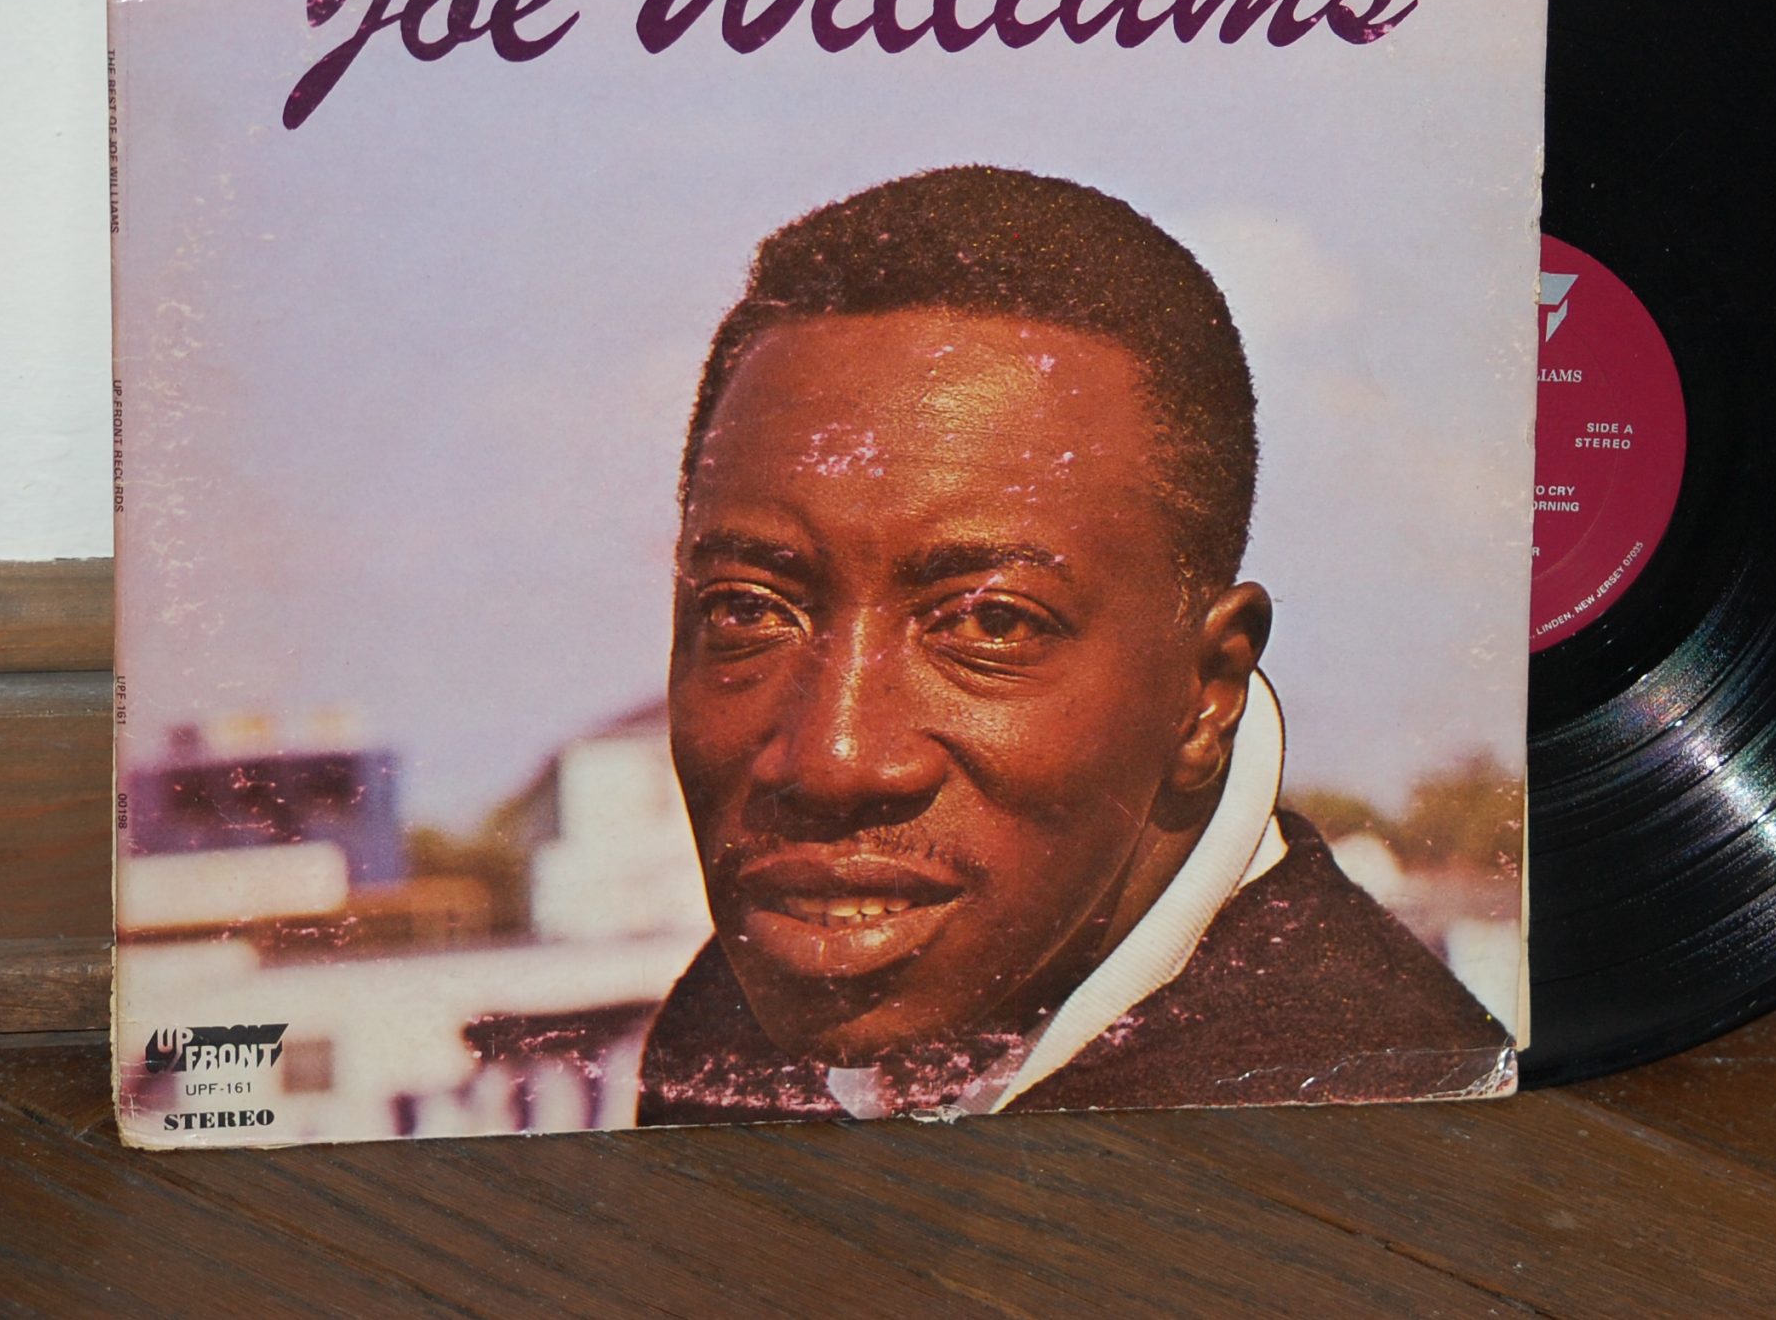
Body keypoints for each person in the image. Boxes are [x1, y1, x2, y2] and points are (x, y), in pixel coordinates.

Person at [638, 165, 1513, 1123]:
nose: (832, 759)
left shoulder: (1394, 1132)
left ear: (1209, 693)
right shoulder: (720, 1038)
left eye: (991, 623)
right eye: (746, 611)